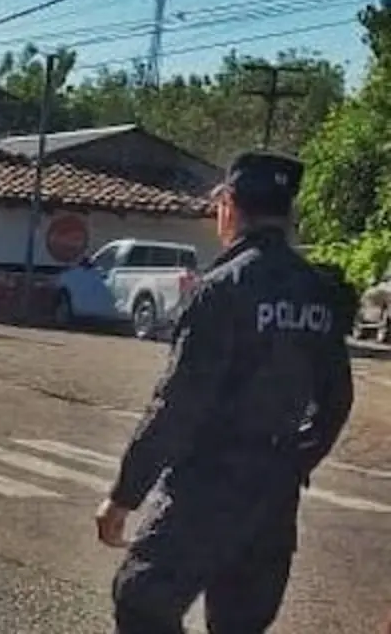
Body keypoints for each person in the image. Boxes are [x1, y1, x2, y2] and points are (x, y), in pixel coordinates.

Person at [94, 151, 356, 633]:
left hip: (208, 484)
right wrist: (295, 461)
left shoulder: (222, 288)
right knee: (240, 623)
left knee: (142, 600)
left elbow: (178, 406)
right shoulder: (317, 290)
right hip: (274, 493)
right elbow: (337, 398)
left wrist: (124, 496)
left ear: (229, 206)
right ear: (289, 214)